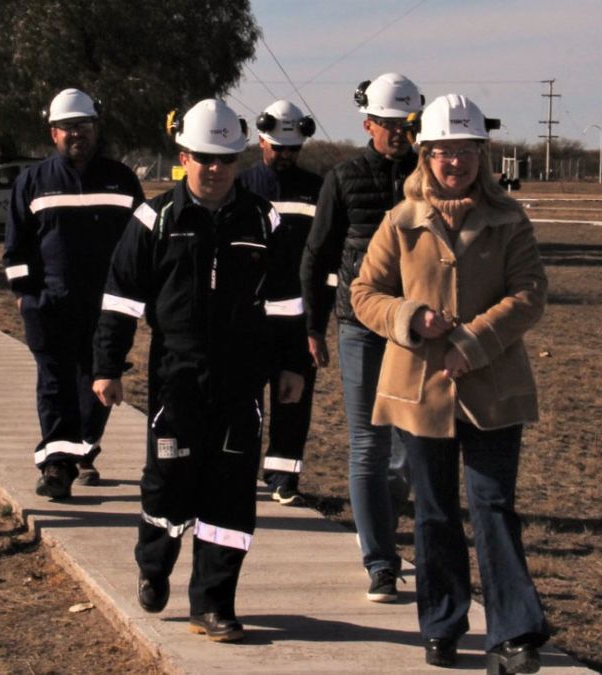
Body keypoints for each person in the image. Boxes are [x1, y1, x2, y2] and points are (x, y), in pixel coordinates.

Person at [92, 99, 307, 642]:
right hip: (177, 378)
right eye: (204, 157)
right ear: (183, 156)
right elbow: (120, 300)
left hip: (241, 380)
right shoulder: (155, 220)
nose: (215, 169)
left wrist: (291, 365)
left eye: (225, 159)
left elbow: (286, 301)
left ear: (238, 160)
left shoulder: (264, 219)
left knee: (230, 492)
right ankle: (154, 563)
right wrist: (107, 367)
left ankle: (213, 604)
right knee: (168, 485)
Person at [350, 94, 550, 673]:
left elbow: (530, 293)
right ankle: (441, 624)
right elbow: (364, 293)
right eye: (443, 151)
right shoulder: (400, 221)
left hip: (494, 390)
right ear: (426, 155)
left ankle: (514, 634)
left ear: (481, 156)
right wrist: (410, 317)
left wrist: (473, 343)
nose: (454, 162)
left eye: (465, 151)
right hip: (420, 391)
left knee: (494, 506)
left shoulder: (509, 219)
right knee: (435, 512)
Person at [300, 72, 422, 603]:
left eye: (407, 124)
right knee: (369, 444)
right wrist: (313, 325)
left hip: (419, 328)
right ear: (368, 123)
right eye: (388, 123)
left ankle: (379, 520)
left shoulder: (430, 174)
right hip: (361, 326)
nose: (398, 133)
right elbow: (317, 255)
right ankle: (380, 562)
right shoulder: (343, 178)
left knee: (412, 446)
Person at [3, 88, 144, 499]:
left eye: (83, 125)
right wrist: (25, 297)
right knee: (55, 384)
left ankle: (84, 449)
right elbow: (16, 248)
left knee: (99, 382)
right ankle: (56, 466)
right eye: (67, 127)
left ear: (95, 129)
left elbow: (141, 245)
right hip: (50, 306)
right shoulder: (32, 182)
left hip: (108, 308)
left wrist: (136, 293)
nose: (76, 133)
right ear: (53, 133)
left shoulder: (122, 180)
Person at [238, 99, 323, 506]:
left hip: (297, 319)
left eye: (293, 149)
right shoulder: (242, 187)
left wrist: (317, 319)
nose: (286, 155)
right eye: (278, 148)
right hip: (250, 318)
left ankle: (283, 476)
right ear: (261, 141)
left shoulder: (318, 189)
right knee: (244, 399)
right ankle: (240, 471)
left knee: (294, 399)